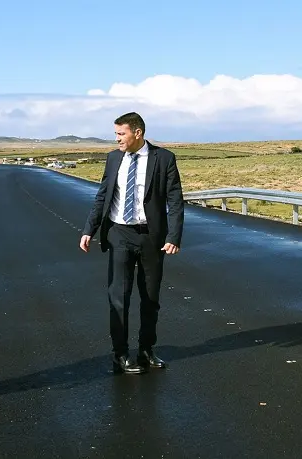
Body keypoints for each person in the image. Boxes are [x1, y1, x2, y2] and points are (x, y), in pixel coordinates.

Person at [80, 112, 185, 374]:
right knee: (119, 297)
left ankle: (147, 349)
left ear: (137, 133)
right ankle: (121, 354)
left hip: (151, 237)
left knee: (150, 297)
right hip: (119, 233)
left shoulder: (164, 159)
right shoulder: (114, 158)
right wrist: (89, 230)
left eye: (121, 134)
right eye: (116, 134)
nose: (117, 139)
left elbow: (175, 200)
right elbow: (102, 196)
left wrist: (173, 236)